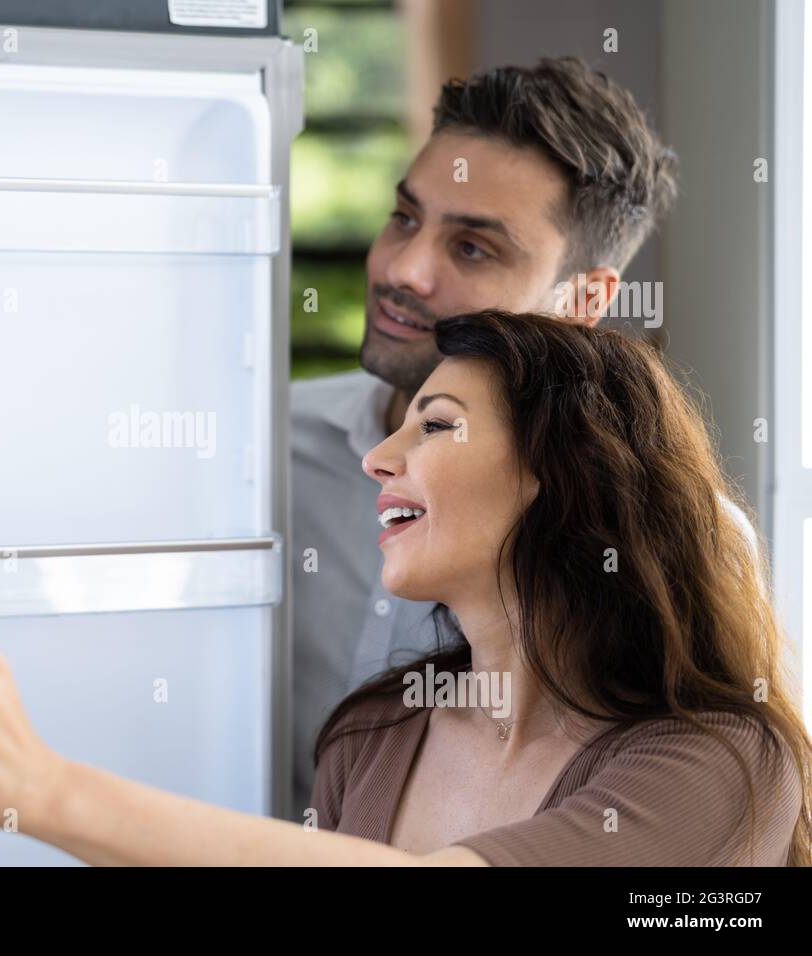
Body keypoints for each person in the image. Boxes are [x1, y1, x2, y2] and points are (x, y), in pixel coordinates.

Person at [0, 311, 809, 865]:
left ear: (565, 476)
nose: (378, 458)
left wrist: (44, 789)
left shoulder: (724, 766)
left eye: (435, 426)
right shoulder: (373, 733)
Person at [288, 55, 762, 821]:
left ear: (584, 299)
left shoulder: (674, 542)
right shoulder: (269, 452)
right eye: (404, 217)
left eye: (473, 248)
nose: (406, 269)